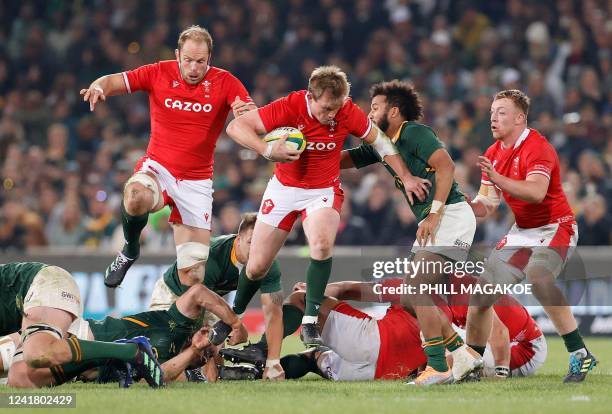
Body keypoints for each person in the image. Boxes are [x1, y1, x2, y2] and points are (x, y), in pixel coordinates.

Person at [225, 66, 430, 360]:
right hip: (283, 188)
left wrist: (407, 177)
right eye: (325, 108)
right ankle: (233, 315)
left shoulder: (347, 111)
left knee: (321, 244)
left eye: (336, 108)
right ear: (310, 97)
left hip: (322, 190)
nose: (332, 115)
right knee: (256, 267)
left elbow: (381, 143)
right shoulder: (291, 105)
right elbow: (236, 127)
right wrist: (267, 150)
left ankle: (309, 322)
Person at [79, 25, 263, 288]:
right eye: (187, 60)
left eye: (200, 62)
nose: (193, 68)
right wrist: (99, 86)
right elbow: (114, 81)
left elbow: (248, 114)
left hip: (196, 183)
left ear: (209, 59)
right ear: (178, 55)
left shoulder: (226, 82)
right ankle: (130, 248)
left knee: (193, 277)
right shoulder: (158, 72)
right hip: (159, 168)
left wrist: (249, 118)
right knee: (135, 196)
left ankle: (178, 318)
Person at [340, 80, 479, 385]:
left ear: (394, 110)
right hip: (435, 221)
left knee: (416, 289)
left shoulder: (414, 132)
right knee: (408, 298)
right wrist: (312, 150)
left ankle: (439, 367)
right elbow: (346, 160)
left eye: (375, 107)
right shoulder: (383, 145)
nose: (369, 112)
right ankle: (461, 352)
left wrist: (433, 213)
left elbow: (447, 167)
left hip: (449, 216)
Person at [460, 89, 597, 383]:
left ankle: (580, 354)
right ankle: (470, 364)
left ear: (520, 118)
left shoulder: (538, 147)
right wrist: (460, 206)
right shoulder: (493, 153)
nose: (494, 118)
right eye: (492, 112)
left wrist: (497, 178)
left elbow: (536, 193)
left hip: (556, 225)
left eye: (502, 112)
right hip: (523, 231)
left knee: (539, 277)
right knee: (481, 294)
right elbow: (487, 205)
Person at [5, 282, 247, 388]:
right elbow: (197, 292)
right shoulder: (177, 324)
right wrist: (234, 322)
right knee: (15, 369)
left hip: (77, 367)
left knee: (19, 382)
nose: (208, 351)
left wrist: (198, 352)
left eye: (208, 356)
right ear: (203, 328)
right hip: (81, 333)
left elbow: (154, 378)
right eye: (211, 345)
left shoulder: (177, 369)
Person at [148, 212, 285, 381]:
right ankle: (195, 374)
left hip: (210, 298)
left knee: (216, 354)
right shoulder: (213, 256)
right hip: (174, 294)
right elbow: (196, 301)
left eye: (262, 243)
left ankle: (214, 372)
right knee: (171, 356)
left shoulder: (267, 263)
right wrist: (206, 354)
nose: (256, 249)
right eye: (251, 242)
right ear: (238, 239)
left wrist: (273, 363)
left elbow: (274, 312)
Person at [0, 262, 163, 388]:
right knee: (20, 377)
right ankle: (107, 360)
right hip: (33, 308)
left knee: (37, 353)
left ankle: (133, 351)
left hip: (43, 282)